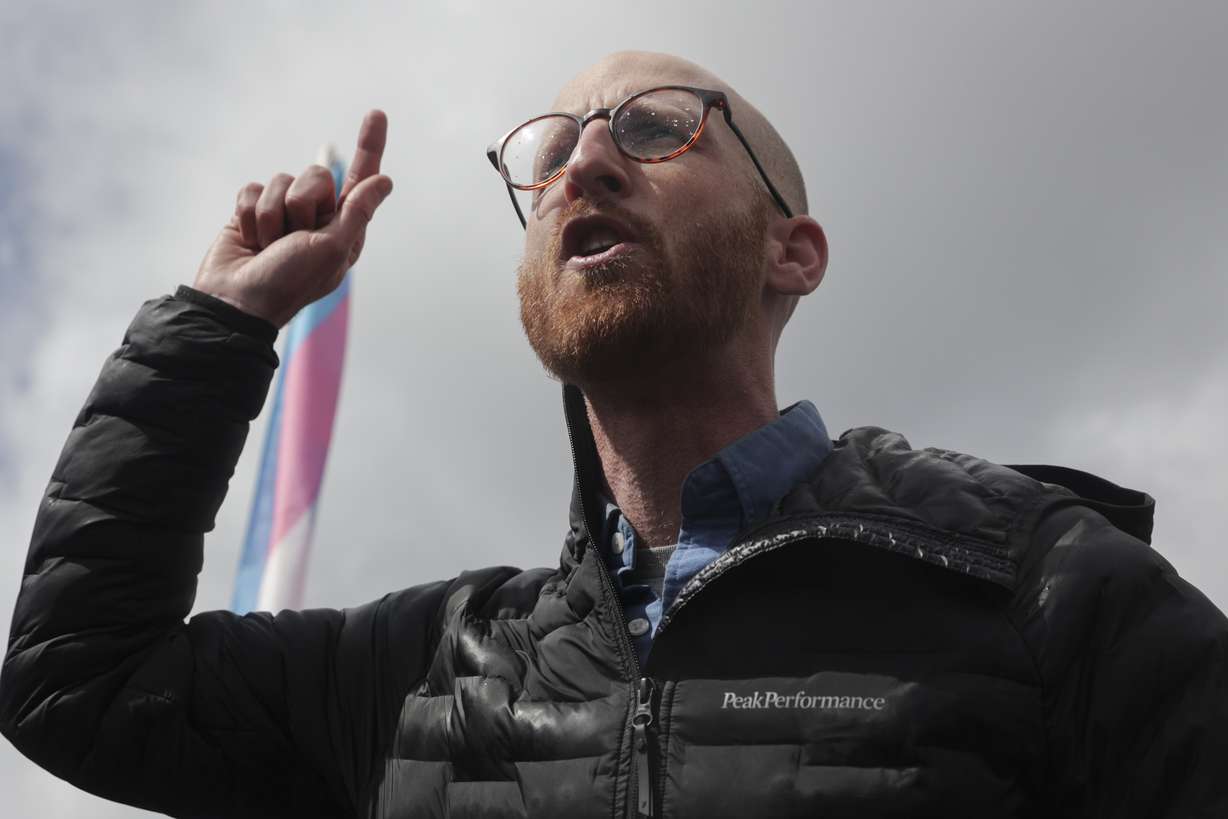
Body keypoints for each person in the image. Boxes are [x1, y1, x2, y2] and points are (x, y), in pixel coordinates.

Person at [1, 49, 1225, 819]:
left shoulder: (1036, 581)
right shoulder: (418, 676)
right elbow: (79, 685)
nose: (583, 160)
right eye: (550, 151)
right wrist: (220, 321)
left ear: (790, 252)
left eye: (653, 127)